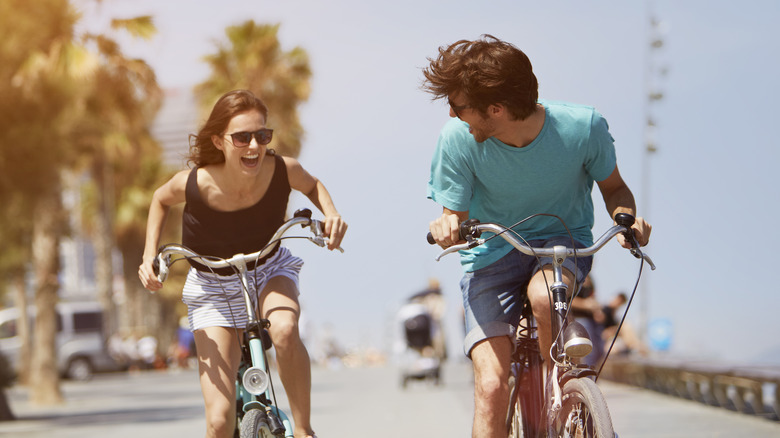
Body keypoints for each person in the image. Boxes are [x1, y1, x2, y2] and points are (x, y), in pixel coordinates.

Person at [422, 35, 651, 438]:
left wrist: (626, 218)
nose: (456, 116)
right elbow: (452, 214)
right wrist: (445, 227)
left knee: (545, 297)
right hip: (491, 256)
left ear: (496, 109)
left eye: (460, 107)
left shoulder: (584, 128)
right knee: (491, 386)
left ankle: (562, 401)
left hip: (561, 249)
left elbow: (615, 189)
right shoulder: (456, 140)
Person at [138, 89, 347, 438]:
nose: (254, 146)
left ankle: (305, 429)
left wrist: (332, 215)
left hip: (268, 268)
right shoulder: (196, 183)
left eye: (262, 136)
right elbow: (159, 200)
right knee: (218, 422)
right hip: (212, 286)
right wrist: (149, 256)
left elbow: (313, 185)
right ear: (219, 141)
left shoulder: (281, 171)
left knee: (283, 329)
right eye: (242, 137)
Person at [570, 276, 606, 368]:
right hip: (579, 319)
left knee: (600, 350)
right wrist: (585, 305)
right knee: (589, 352)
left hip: (592, 321)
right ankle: (587, 376)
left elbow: (592, 298)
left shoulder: (590, 279)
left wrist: (597, 312)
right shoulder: (572, 277)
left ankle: (590, 373)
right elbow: (567, 300)